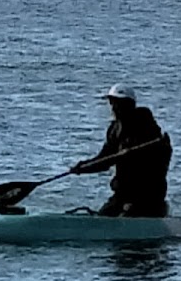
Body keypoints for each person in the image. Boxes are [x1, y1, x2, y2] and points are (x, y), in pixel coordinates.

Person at [71, 84, 172, 217]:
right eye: (112, 103)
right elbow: (104, 160)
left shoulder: (146, 126)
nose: (114, 107)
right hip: (122, 195)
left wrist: (130, 155)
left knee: (127, 214)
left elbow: (161, 157)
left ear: (129, 105)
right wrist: (83, 167)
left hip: (147, 195)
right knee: (103, 217)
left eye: (118, 103)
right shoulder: (115, 129)